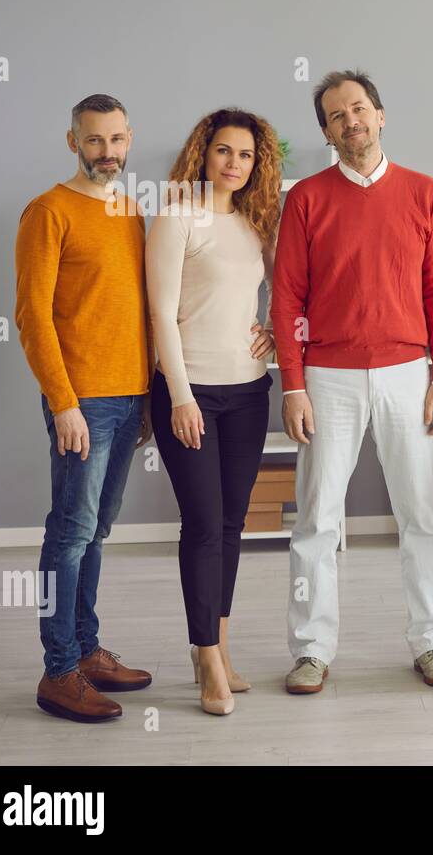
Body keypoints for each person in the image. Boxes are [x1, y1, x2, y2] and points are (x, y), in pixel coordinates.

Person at [271, 69, 433, 694]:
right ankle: (311, 650)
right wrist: (292, 385)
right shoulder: (306, 199)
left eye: (358, 109)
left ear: (380, 115)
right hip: (327, 376)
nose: (350, 122)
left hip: (409, 374)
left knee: (420, 513)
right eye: (335, 116)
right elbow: (288, 295)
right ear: (326, 131)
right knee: (318, 519)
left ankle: (432, 642)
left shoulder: (423, 191)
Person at [15, 93, 154, 723]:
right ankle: (58, 670)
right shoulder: (48, 211)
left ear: (130, 138)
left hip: (129, 398)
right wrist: (63, 402)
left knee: (96, 530)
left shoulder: (130, 210)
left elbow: (138, 309)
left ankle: (88, 650)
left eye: (117, 140)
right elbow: (32, 317)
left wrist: (148, 394)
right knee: (69, 534)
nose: (108, 153)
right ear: (73, 142)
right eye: (95, 141)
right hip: (84, 403)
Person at [146, 108, 282, 715]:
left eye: (246, 155)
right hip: (191, 390)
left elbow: (281, 291)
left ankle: (220, 646)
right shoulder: (177, 218)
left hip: (249, 391)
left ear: (258, 164)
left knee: (231, 526)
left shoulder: (257, 223)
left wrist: (276, 330)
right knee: (203, 525)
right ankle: (205, 659)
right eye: (224, 151)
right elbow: (161, 316)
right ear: (203, 153)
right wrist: (178, 396)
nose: (234, 164)